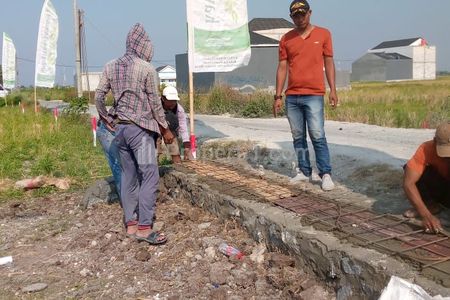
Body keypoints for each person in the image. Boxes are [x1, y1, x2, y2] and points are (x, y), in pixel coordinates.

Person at [95, 23, 174, 245]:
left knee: (129, 177)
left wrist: (105, 118)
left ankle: (131, 224)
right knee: (150, 175)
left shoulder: (110, 66)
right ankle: (144, 227)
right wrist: (165, 129)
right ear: (142, 45)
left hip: (119, 131)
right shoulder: (146, 69)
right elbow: (155, 104)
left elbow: (99, 96)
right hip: (140, 134)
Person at [273, 0, 338, 191]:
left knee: (317, 134)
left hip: (314, 94)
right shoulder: (286, 39)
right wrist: (277, 96)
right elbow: (282, 67)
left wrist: (333, 89)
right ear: (291, 17)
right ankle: (304, 170)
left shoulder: (323, 34)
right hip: (292, 96)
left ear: (310, 13)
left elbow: (329, 63)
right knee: (297, 135)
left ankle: (325, 173)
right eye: (295, 15)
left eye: (303, 14)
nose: (300, 18)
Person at [403, 122, 450, 234]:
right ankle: (431, 205)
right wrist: (425, 215)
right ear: (435, 141)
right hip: (442, 186)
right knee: (410, 170)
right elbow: (408, 183)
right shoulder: (426, 148)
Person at [158, 86, 194, 163]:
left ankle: (178, 167)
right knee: (154, 152)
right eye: (170, 100)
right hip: (155, 130)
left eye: (174, 100)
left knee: (175, 152)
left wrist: (187, 146)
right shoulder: (155, 105)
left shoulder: (179, 110)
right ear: (163, 98)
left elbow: (183, 128)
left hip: (171, 131)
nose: (173, 103)